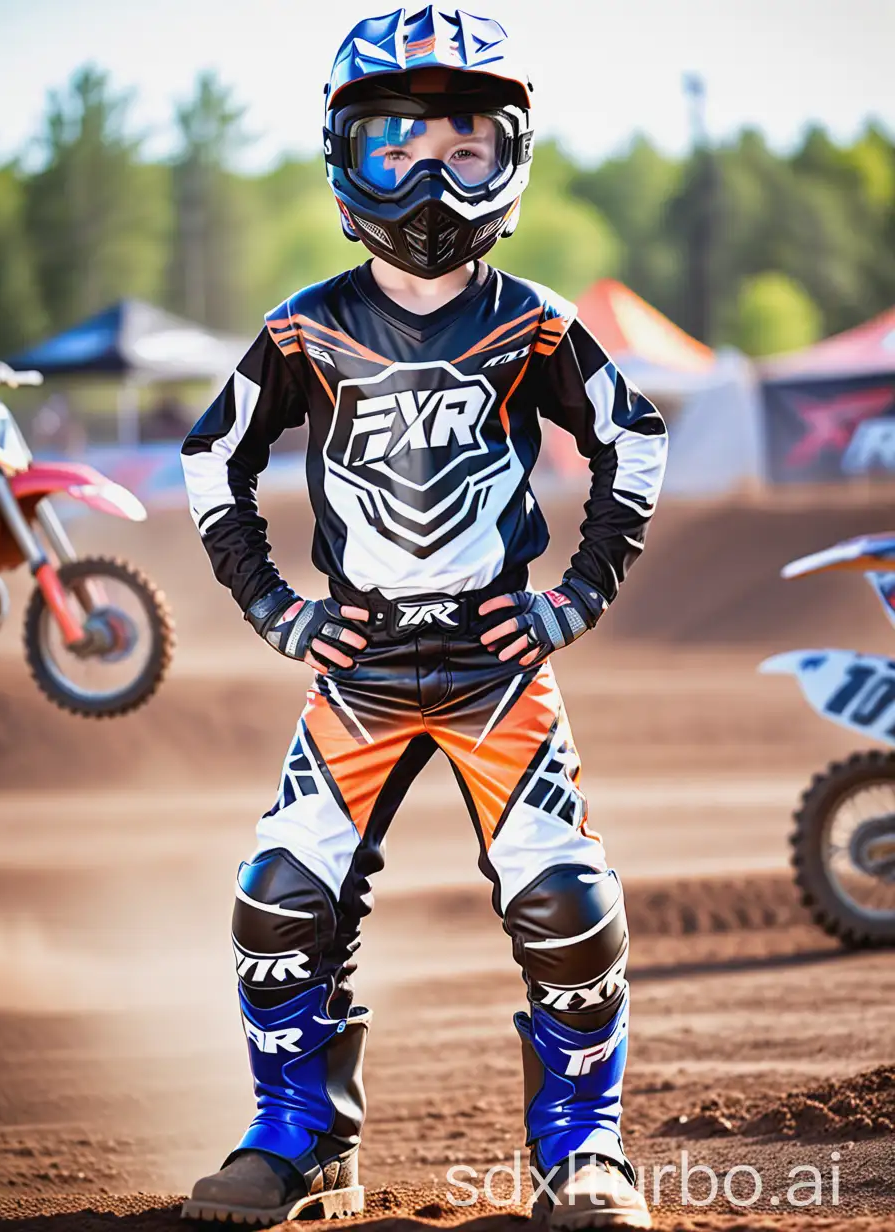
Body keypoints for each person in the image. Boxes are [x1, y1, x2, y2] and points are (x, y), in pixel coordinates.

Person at [181, 7, 666, 1228]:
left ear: (512, 158)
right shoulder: (303, 325)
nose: (430, 178)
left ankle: (583, 1150)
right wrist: (276, 608)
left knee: (563, 898)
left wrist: (576, 596)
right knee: (282, 894)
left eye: (463, 145)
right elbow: (210, 461)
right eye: (396, 145)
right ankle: (295, 1140)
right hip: (357, 669)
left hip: (498, 670)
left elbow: (634, 440)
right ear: (345, 156)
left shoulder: (538, 320)